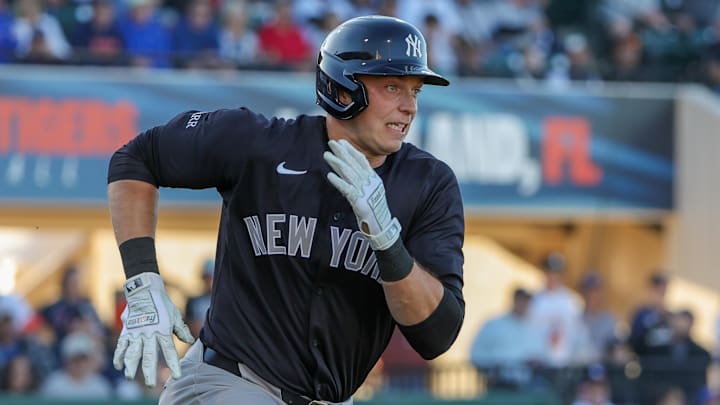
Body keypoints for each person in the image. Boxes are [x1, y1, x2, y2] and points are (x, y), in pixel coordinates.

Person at [107, 14, 465, 405]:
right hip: (228, 381)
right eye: (392, 86)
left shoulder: (430, 183)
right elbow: (137, 158)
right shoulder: (258, 143)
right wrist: (142, 282)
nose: (409, 106)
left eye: (415, 90)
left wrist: (388, 242)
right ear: (343, 89)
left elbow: (436, 334)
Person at [469, 287, 545, 390]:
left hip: (525, 387)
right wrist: (494, 368)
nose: (523, 304)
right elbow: (476, 353)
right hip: (498, 384)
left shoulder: (532, 329)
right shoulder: (494, 325)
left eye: (526, 301)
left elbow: (539, 355)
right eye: (521, 300)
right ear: (514, 300)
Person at [184, 258, 214, 340]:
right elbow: (191, 328)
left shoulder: (225, 303)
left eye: (212, 277)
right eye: (208, 278)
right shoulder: (194, 302)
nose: (210, 282)